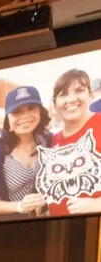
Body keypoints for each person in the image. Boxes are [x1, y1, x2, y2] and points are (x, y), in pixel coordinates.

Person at [0, 86, 50, 222]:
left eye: (31, 108)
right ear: (7, 119)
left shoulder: (49, 142)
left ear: (40, 111)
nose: (25, 116)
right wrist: (20, 206)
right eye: (16, 112)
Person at [43, 69, 101, 216]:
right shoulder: (52, 141)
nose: (71, 99)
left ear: (90, 95)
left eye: (79, 91)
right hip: (61, 231)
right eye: (63, 94)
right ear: (55, 103)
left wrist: (97, 204)